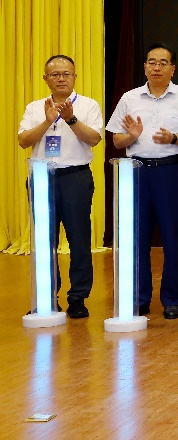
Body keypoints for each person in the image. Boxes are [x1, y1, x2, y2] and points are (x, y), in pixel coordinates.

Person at [106, 43, 178, 320]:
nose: (156, 67)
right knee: (137, 238)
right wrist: (132, 136)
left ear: (172, 68)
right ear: (145, 67)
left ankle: (172, 299)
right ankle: (140, 298)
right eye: (152, 62)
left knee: (172, 237)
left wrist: (174, 138)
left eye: (163, 63)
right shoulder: (129, 98)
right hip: (137, 173)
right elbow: (116, 141)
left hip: (171, 172)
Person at [17, 55, 104, 319]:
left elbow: (95, 139)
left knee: (79, 239)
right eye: (55, 74)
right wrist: (47, 121)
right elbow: (23, 141)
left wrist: (71, 119)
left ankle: (78, 298)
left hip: (75, 177)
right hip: (42, 178)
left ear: (75, 77)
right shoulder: (35, 107)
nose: (61, 78)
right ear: (46, 79)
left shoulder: (88, 105)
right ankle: (47, 297)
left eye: (66, 74)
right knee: (45, 241)